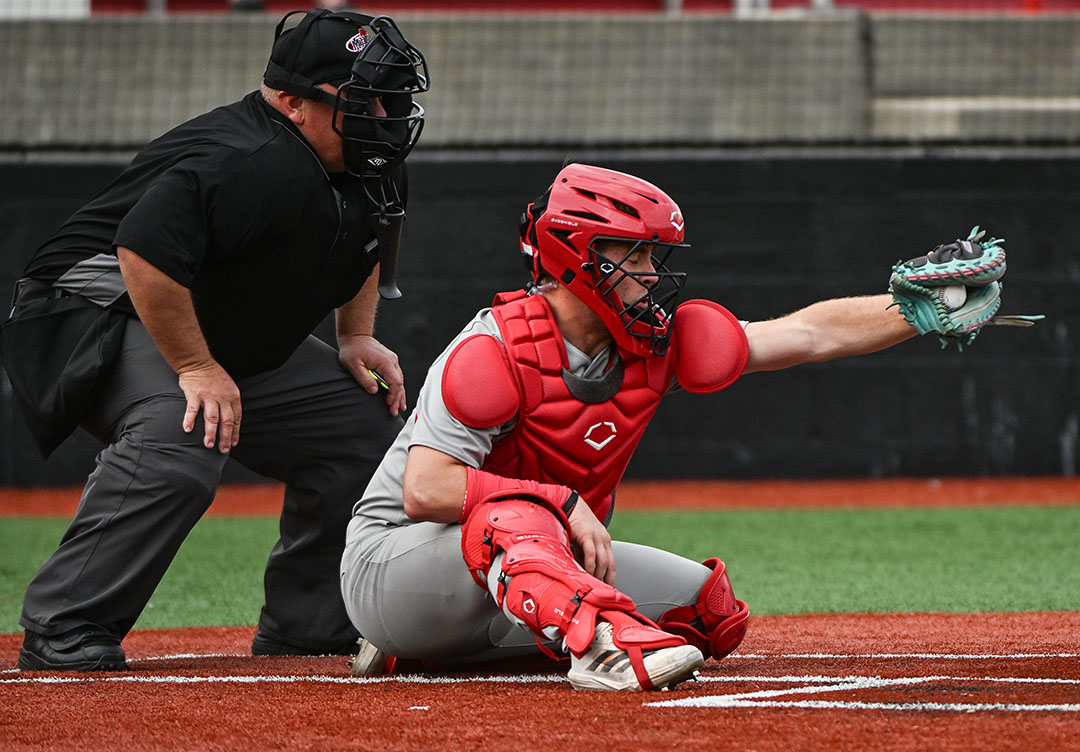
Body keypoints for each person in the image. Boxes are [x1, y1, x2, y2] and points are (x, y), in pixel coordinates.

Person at [339, 162, 1033, 692]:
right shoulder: (491, 351)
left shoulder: (654, 341)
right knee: (521, 514)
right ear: (582, 257)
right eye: (634, 256)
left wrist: (907, 309)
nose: (650, 274)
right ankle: (601, 653)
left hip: (517, 563)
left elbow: (805, 335)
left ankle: (437, 651)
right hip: (391, 566)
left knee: (708, 615)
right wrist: (561, 501)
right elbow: (426, 490)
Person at [1, 8, 429, 671]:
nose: (384, 110)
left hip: (199, 314)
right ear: (291, 102)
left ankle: (308, 624)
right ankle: (66, 624)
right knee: (188, 426)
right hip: (90, 305)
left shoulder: (365, 155)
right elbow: (142, 251)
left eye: (390, 93)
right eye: (363, 96)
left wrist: (356, 336)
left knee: (364, 425)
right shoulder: (250, 158)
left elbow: (367, 242)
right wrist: (197, 366)